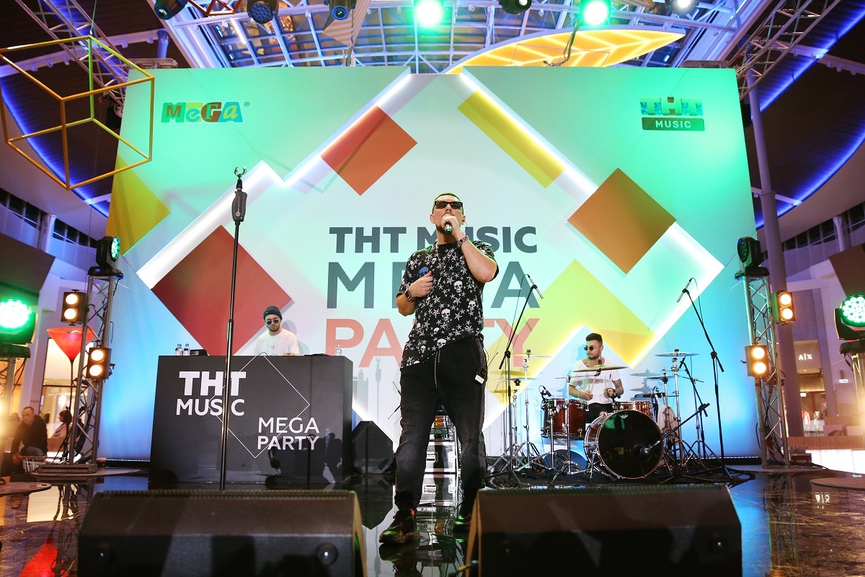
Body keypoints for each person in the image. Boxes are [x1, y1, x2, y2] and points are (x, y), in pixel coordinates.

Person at [380, 193, 498, 545]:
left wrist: (459, 235)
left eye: (455, 206)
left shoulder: (476, 248)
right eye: (442, 205)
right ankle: (405, 515)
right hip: (419, 357)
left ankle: (470, 508)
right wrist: (412, 292)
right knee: (411, 438)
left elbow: (486, 273)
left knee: (470, 436)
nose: (448, 209)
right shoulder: (419, 258)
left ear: (463, 216)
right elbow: (403, 307)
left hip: (462, 353)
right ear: (431, 216)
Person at [568, 333, 624, 424]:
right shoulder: (578, 365)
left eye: (591, 348)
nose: (588, 351)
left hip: (607, 403)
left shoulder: (611, 364)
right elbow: (570, 388)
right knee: (600, 412)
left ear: (601, 348)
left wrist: (613, 392)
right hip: (589, 405)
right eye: (586, 348)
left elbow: (620, 388)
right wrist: (580, 394)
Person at [10, 406, 48, 470]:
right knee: (14, 456)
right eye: (23, 415)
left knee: (30, 450)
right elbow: (16, 441)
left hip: (40, 450)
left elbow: (39, 442)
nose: (25, 417)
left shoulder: (40, 424)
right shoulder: (21, 427)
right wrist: (14, 454)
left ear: (33, 414)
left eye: (27, 415)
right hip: (28, 449)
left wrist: (21, 452)